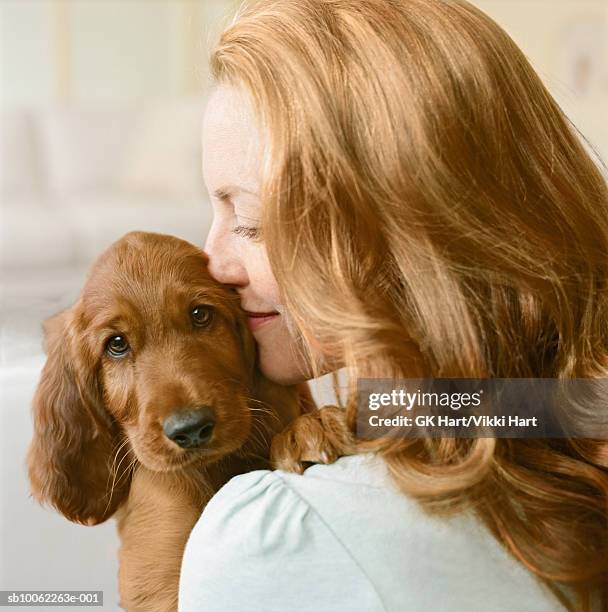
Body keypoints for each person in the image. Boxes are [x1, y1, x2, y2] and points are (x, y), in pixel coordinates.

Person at [178, 1, 608, 610]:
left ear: (402, 228)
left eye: (248, 221)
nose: (211, 259)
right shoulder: (555, 413)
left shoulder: (287, 539)